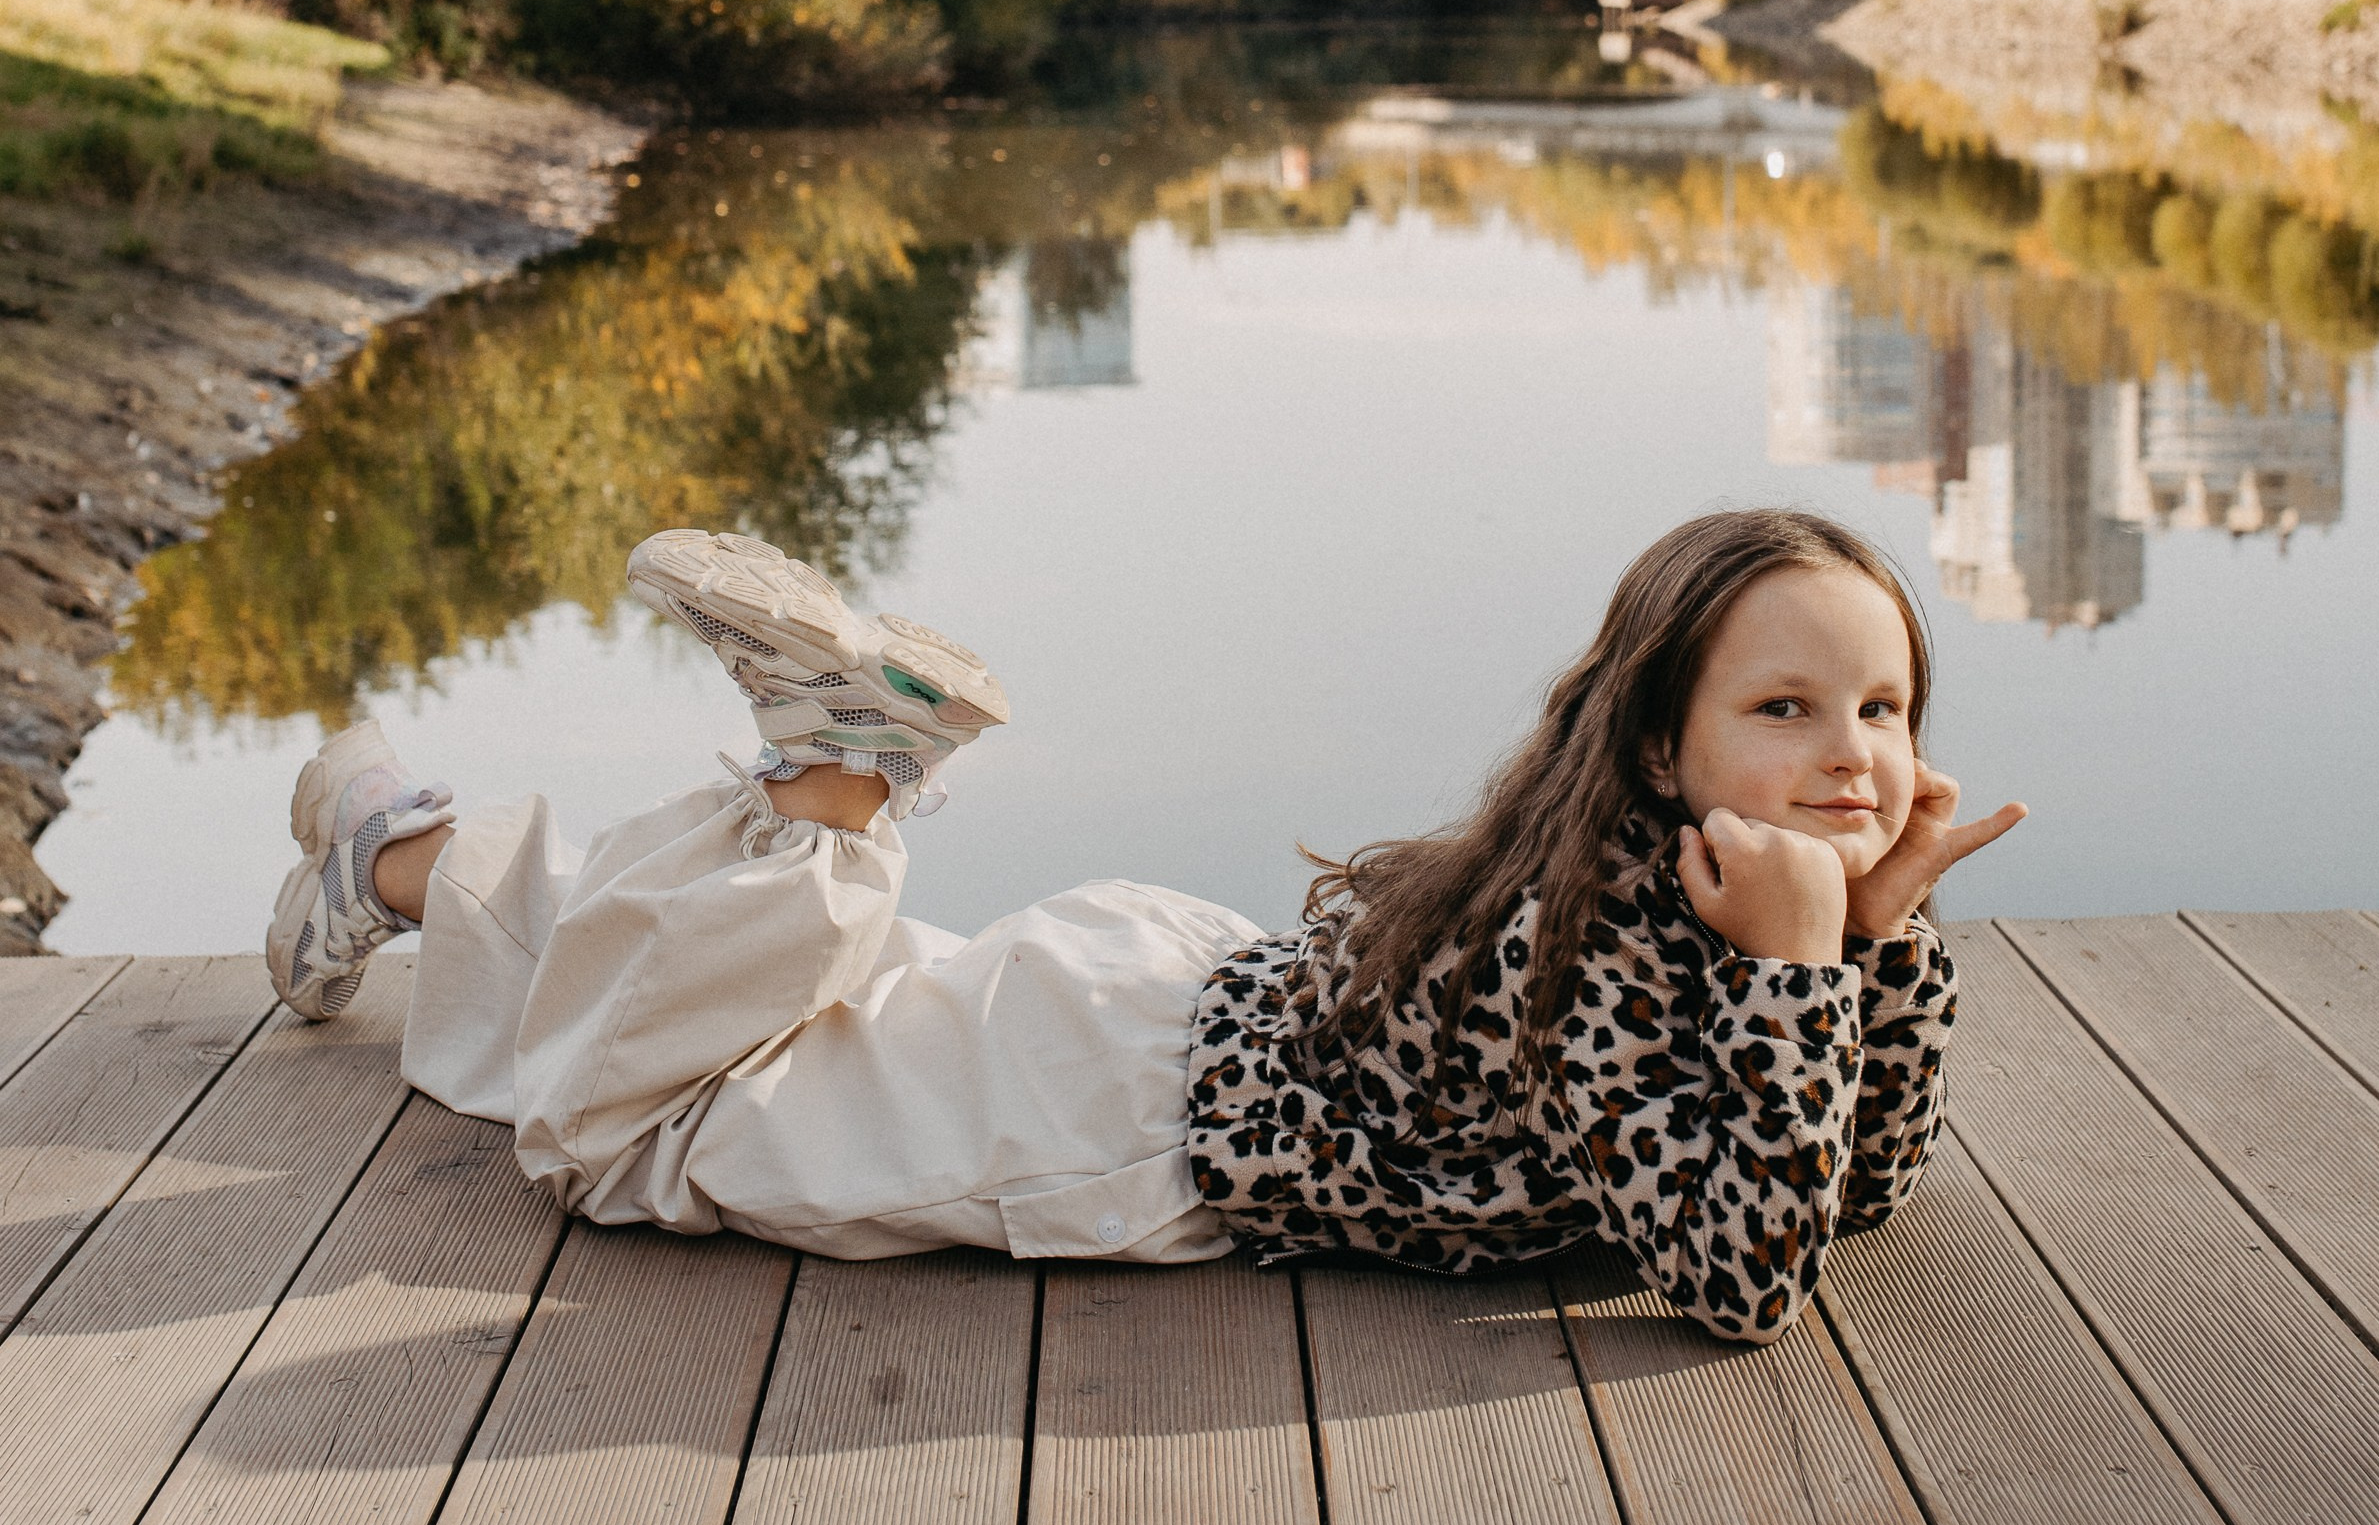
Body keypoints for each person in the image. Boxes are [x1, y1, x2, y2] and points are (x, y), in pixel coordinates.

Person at [264, 507, 2021, 1334]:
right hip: (1102, 1121)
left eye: (1881, 709)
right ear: (1658, 742)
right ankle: (837, 779)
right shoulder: (1614, 939)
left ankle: (389, 845)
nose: (1852, 754)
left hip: (1140, 1014)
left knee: (753, 1016)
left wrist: (1877, 942)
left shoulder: (1698, 882)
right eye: (1786, 709)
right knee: (630, 1131)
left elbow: (1858, 1182)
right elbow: (1744, 1278)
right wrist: (1808, 971)